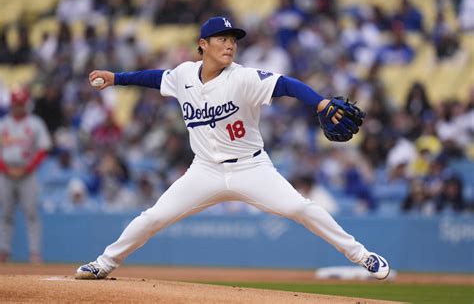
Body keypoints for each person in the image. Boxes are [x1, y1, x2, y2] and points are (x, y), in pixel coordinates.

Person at [75, 17, 390, 280]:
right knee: (154, 216)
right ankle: (103, 264)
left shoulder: (243, 78)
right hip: (205, 170)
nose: (229, 44)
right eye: (221, 38)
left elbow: (287, 85)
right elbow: (156, 78)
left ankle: (362, 256)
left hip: (250, 168)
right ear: (203, 45)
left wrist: (320, 102)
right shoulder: (184, 74)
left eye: (233, 40)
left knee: (300, 208)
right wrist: (116, 77)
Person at [0, 88, 52, 263]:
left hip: (27, 174)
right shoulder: (4, 124)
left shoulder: (35, 123)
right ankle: (4, 251)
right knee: (6, 214)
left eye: (21, 103)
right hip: (5, 173)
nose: (18, 107)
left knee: (31, 214)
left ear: (26, 104)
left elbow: (43, 149)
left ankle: (34, 253)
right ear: (12, 104)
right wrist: (6, 168)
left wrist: (28, 168)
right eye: (16, 103)